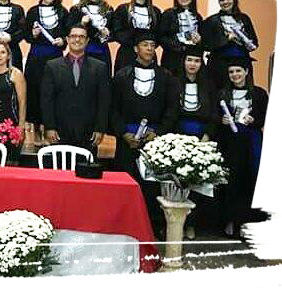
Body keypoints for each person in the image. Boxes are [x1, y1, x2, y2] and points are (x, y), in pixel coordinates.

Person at [110, 30, 178, 234]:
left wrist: (158, 132)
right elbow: (113, 108)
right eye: (145, 45)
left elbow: (171, 108)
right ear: (135, 48)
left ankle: (152, 226)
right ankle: (123, 224)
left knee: (152, 184)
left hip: (154, 140)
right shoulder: (122, 76)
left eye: (152, 45)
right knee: (126, 181)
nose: (149, 49)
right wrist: (123, 133)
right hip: (127, 139)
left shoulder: (165, 77)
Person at [215, 56, 268, 238]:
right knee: (232, 181)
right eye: (231, 72)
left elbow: (264, 118)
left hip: (251, 142)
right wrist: (222, 120)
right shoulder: (222, 94)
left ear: (246, 71)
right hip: (230, 144)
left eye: (238, 71)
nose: (235, 75)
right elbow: (214, 118)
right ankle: (230, 220)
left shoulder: (259, 94)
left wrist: (254, 120)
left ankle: (248, 222)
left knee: (250, 179)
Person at [40, 24, 110, 153]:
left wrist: (100, 128)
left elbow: (103, 101)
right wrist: (49, 127)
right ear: (67, 39)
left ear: (87, 40)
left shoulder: (99, 67)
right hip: (59, 131)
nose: (77, 40)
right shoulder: (52, 66)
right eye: (73, 36)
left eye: (82, 37)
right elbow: (47, 100)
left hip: (89, 132)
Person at [174, 45, 217, 240]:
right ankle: (177, 223)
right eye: (189, 60)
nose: (193, 64)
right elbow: (170, 111)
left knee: (198, 183)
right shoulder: (174, 82)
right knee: (178, 182)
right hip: (179, 135)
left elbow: (214, 113)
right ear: (183, 62)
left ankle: (192, 224)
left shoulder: (208, 85)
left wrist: (207, 135)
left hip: (201, 137)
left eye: (197, 61)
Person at [24, 0, 68, 143]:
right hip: (36, 58)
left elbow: (67, 34)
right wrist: (33, 34)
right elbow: (27, 36)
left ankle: (49, 130)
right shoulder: (33, 12)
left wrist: (63, 41)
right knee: (35, 92)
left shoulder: (62, 12)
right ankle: (36, 131)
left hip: (55, 59)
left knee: (52, 93)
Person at [202, 0, 258, 90]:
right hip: (219, 66)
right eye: (222, 0)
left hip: (241, 63)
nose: (225, 2)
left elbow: (255, 42)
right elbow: (206, 45)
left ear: (234, 0)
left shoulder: (244, 19)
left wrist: (243, 39)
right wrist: (226, 39)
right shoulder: (211, 21)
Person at [66, 0, 114, 77]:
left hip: (102, 52)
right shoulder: (76, 10)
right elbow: (68, 31)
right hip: (82, 52)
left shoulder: (108, 9)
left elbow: (114, 32)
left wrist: (108, 34)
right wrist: (81, 24)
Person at [112, 0, 162, 74]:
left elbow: (159, 34)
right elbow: (117, 32)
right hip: (126, 54)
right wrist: (135, 42)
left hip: (148, 55)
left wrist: (146, 46)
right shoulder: (123, 9)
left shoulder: (155, 12)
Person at [0, 41, 26, 165]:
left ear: (8, 56)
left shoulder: (15, 74)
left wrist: (21, 127)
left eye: (3, 52)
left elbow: (22, 102)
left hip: (11, 125)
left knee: (11, 164)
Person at [158, 0, 204, 75]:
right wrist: (178, 46)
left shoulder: (198, 16)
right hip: (172, 59)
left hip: (192, 60)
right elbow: (161, 37)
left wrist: (199, 40)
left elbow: (202, 38)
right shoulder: (168, 14)